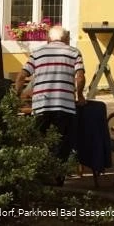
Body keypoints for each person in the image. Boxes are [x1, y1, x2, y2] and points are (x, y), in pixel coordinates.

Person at [15, 25, 85, 173]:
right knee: (62, 143)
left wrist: (16, 97)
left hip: (41, 104)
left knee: (39, 141)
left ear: (48, 39)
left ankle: (40, 174)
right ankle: (58, 176)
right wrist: (80, 96)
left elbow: (21, 77)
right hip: (64, 105)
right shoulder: (74, 52)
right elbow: (80, 77)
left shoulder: (37, 53)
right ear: (66, 39)